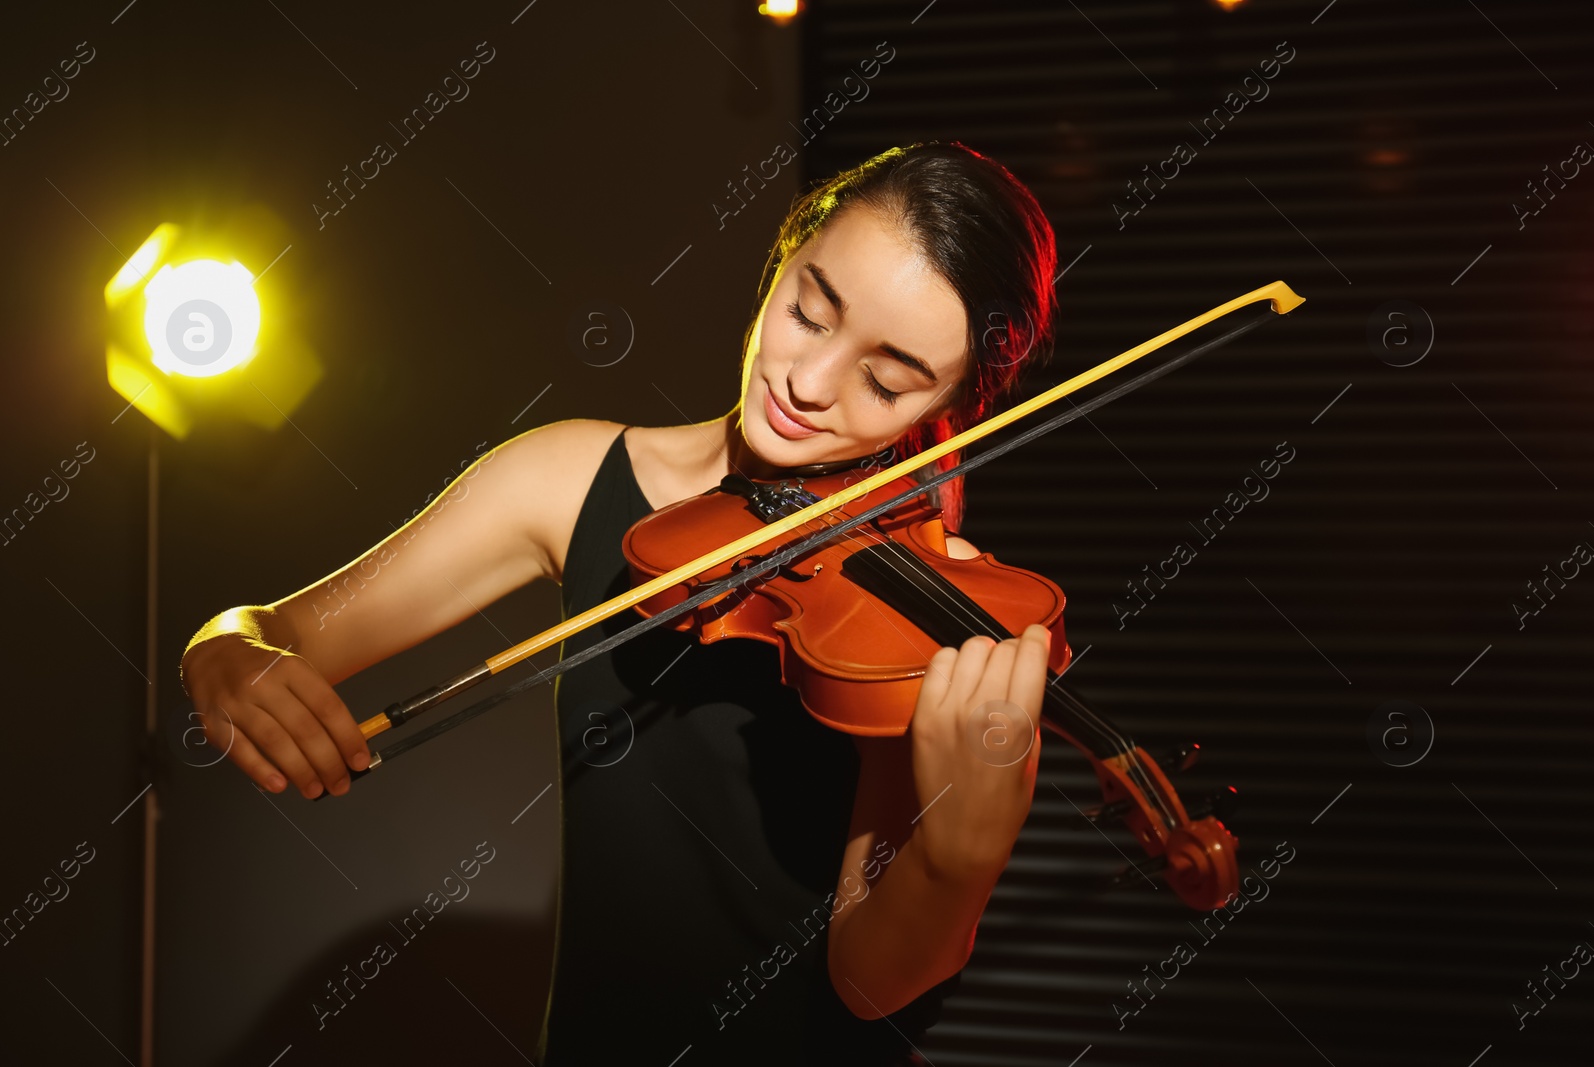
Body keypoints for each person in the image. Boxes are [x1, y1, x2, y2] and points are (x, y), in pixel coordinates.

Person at [181, 141, 1060, 1065]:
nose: (808, 382)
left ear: (949, 405)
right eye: (809, 310)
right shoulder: (569, 478)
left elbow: (868, 978)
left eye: (885, 381)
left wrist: (954, 865)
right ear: (782, 256)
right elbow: (283, 630)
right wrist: (225, 646)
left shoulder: (937, 616)